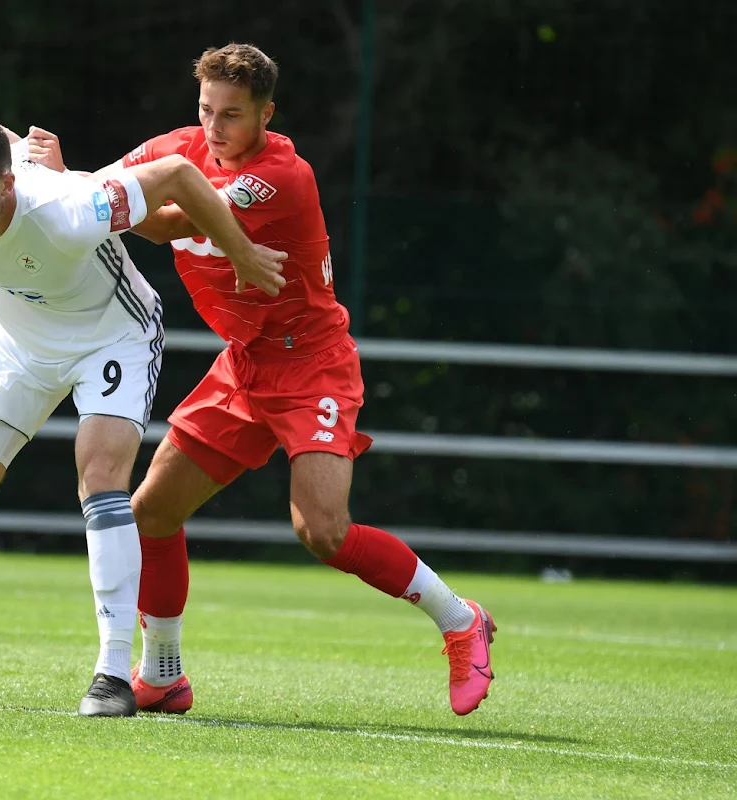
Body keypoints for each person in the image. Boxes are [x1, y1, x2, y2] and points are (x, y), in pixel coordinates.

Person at [27, 44, 497, 717]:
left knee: (322, 531)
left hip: (311, 362)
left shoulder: (281, 174)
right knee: (152, 512)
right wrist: (68, 177)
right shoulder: (180, 145)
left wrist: (104, 189)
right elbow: (111, 193)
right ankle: (162, 674)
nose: (215, 127)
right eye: (206, 110)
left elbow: (170, 218)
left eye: (233, 115)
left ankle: (461, 621)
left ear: (266, 114)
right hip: (243, 364)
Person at [0, 115, 287, 717]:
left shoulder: (69, 209)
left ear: (7, 185)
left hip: (111, 337)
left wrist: (242, 252)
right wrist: (17, 140)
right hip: (18, 346)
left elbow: (174, 172)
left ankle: (113, 674)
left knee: (101, 480)